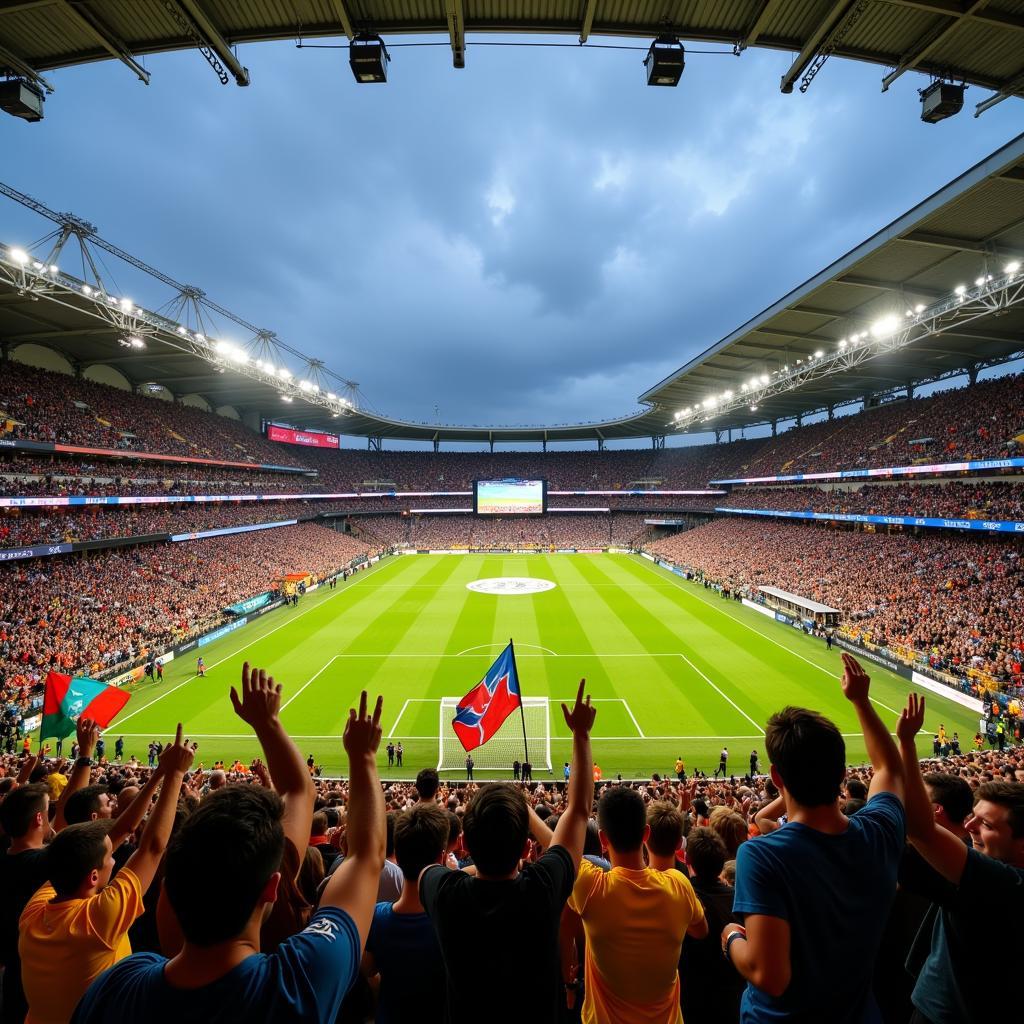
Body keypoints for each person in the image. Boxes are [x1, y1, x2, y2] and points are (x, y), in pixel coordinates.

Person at [71, 665, 387, 1024]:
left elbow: (362, 852)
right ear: (272, 888)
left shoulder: (115, 987)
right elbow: (363, 855)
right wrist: (360, 756)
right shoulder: (300, 983)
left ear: (170, 892)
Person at [722, 654, 906, 1023]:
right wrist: (861, 702)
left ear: (776, 777)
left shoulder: (761, 855)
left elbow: (768, 976)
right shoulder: (880, 831)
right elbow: (889, 767)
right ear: (842, 773)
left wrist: (730, 938)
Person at [419, 679, 596, 1024]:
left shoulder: (445, 892)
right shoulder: (542, 887)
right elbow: (578, 810)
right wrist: (581, 735)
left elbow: (426, 864)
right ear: (528, 846)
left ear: (464, 844)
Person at [19, 726, 195, 1024]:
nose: (115, 859)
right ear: (92, 878)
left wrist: (158, 776)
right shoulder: (98, 919)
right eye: (110, 858)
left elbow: (107, 837)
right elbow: (151, 848)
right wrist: (173, 774)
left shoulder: (35, 910)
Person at [896, 693, 1024, 1024]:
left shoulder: (1005, 883)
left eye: (987, 824)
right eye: (972, 816)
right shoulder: (988, 871)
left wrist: (906, 743)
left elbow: (921, 830)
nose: (969, 827)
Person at [563, 786, 707, 1022]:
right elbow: (701, 930)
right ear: (646, 834)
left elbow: (560, 846)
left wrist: (527, 813)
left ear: (602, 839)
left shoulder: (590, 886)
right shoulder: (679, 886)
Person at [362, 803, 448, 1024]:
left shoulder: (376, 918)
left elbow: (368, 970)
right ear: (442, 857)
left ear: (397, 856)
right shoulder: (451, 921)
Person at [679, 827, 743, 1024]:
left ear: (687, 860)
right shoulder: (739, 900)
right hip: (732, 1004)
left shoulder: (680, 899)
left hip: (691, 1004)